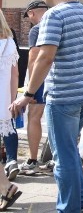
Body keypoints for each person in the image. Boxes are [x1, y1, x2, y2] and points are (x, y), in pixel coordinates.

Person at [11, 0, 83, 213]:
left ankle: (68, 208)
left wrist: (28, 94)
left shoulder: (53, 15)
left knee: (63, 156)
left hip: (64, 94)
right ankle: (81, 201)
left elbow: (45, 57)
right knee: (70, 148)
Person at [19, 0, 50, 176]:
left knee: (34, 117)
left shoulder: (37, 30)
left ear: (31, 13)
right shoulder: (60, 24)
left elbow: (34, 58)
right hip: (62, 78)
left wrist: (30, 88)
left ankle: (32, 159)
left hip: (42, 78)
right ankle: (55, 159)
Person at [0, 11, 22, 210]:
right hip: (3, 99)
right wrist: (12, 98)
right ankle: (5, 186)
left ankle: (6, 186)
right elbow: (15, 74)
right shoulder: (9, 42)